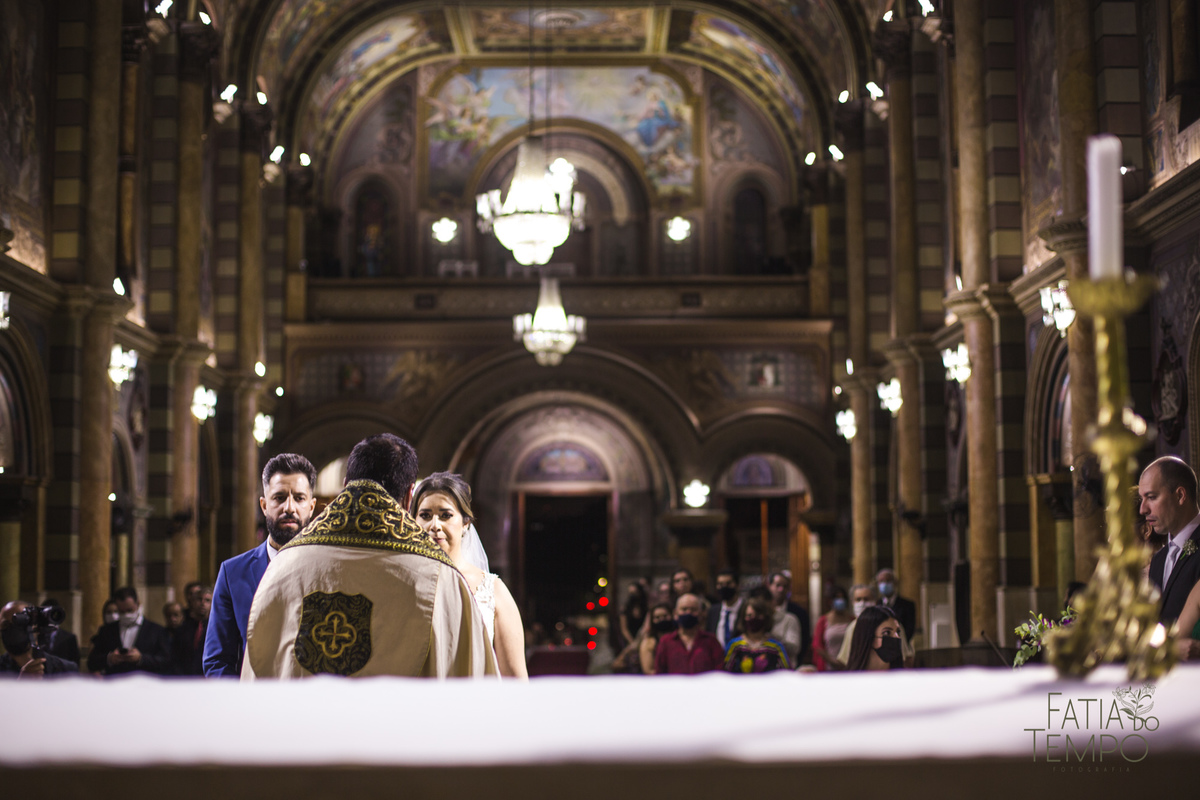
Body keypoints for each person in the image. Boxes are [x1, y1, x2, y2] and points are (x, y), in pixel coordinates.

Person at [244, 433, 497, 679]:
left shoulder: (283, 565)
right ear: (409, 495)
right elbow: (470, 686)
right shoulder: (441, 577)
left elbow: (255, 672)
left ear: (345, 485)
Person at [204, 453, 317, 677]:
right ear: (264, 505)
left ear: (312, 507)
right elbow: (217, 660)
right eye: (279, 497)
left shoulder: (328, 569)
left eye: (299, 498)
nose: (289, 507)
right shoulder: (233, 572)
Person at [411, 471, 527, 679]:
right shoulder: (405, 583)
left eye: (446, 515)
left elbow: (515, 680)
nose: (434, 525)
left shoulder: (492, 590)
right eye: (425, 515)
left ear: (465, 524)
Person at [1139, 456, 1200, 622]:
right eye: (1142, 498)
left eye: (1151, 497)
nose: (1142, 509)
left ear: (1180, 495)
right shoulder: (1159, 559)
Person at [86, 586, 173, 676]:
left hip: (145, 684)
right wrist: (110, 658)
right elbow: (91, 662)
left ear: (138, 604)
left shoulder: (156, 631)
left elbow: (166, 661)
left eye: (130, 610)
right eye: (121, 612)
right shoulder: (107, 630)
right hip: (114, 683)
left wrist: (141, 658)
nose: (126, 615)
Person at [836, 584, 915, 668]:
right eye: (858, 599)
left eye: (866, 599)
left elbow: (905, 658)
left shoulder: (892, 624)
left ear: (875, 601)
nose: (862, 603)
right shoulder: (852, 628)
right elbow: (847, 660)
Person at [1, 601, 77, 678]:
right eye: (5, 625)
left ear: (35, 626)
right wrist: (22, 682)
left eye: (19, 622)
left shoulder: (65, 669)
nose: (13, 630)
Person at [653, 593, 724, 674]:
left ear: (700, 614)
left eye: (693, 610)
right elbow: (660, 673)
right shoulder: (666, 642)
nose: (688, 612)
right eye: (684, 609)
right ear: (675, 614)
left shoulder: (711, 641)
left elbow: (719, 673)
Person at [723, 596, 791, 673]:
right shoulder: (735, 645)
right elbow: (725, 674)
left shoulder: (776, 647)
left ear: (766, 617)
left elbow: (786, 674)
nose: (753, 618)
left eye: (758, 615)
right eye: (749, 616)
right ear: (743, 618)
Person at [844, 605, 904, 671]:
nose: (896, 637)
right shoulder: (851, 679)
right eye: (887, 633)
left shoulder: (904, 678)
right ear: (869, 637)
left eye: (897, 632)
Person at [765, 573, 807, 665]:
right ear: (770, 586)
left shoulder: (798, 612)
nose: (781, 589)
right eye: (778, 585)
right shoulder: (763, 611)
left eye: (785, 586)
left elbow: (803, 643)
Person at [811, 585, 854, 671]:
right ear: (831, 601)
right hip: (829, 666)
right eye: (837, 598)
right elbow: (817, 645)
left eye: (842, 598)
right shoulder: (823, 621)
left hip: (849, 666)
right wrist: (832, 661)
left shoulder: (852, 620)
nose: (840, 601)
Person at [175, 585, 211, 676]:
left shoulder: (215, 628)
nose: (203, 603)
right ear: (193, 602)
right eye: (199, 599)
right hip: (185, 677)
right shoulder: (182, 627)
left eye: (207, 601)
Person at [706, 569, 743, 651]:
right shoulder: (713, 611)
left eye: (728, 584)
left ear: (737, 585)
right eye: (720, 584)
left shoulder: (746, 608)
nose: (724, 587)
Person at [876, 567, 917, 642]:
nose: (885, 584)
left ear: (895, 583)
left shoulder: (907, 605)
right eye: (881, 581)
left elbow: (910, 629)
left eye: (888, 581)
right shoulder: (876, 605)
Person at [619, 580, 648, 647]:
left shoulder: (645, 608)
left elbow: (646, 627)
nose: (633, 596)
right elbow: (624, 629)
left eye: (635, 593)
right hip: (629, 639)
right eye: (631, 593)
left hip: (642, 639)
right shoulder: (625, 609)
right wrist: (632, 642)